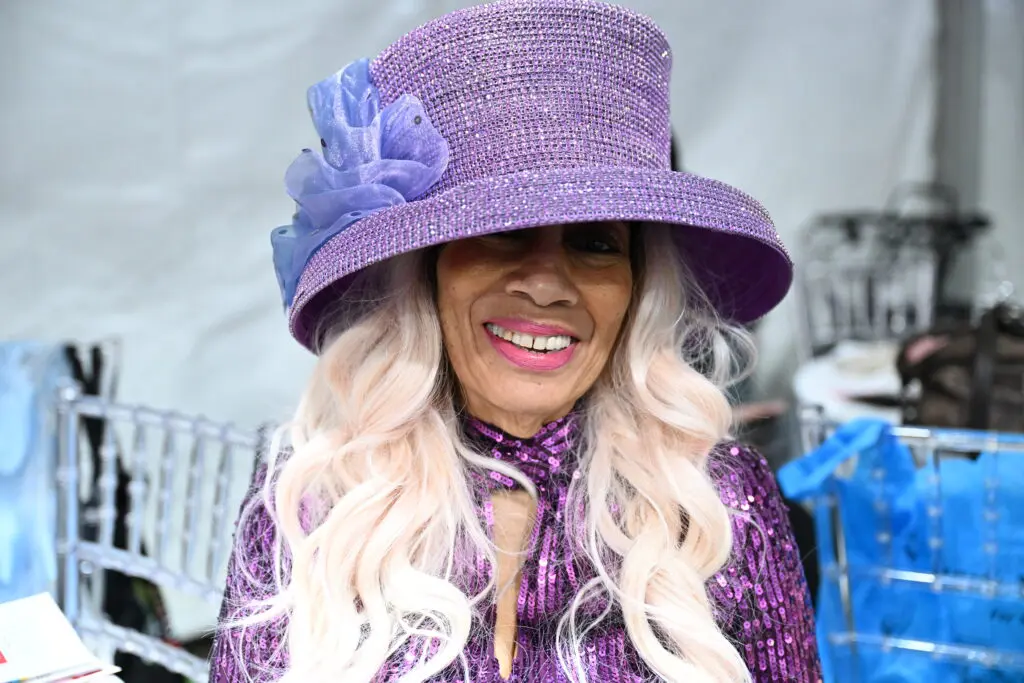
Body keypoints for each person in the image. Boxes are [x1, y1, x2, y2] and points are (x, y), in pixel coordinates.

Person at [209, 0, 821, 681]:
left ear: (637, 287)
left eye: (595, 243)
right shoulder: (317, 500)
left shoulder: (715, 504)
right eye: (502, 233)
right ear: (426, 270)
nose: (547, 283)